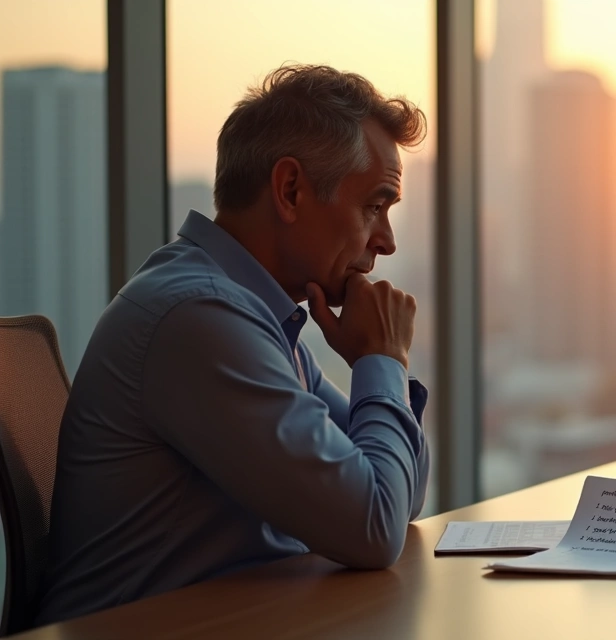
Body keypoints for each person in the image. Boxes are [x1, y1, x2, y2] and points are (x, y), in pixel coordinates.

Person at [35, 64, 430, 625]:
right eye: (374, 206)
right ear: (290, 190)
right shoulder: (199, 317)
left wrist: (379, 366)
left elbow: (402, 492)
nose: (386, 241)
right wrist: (381, 360)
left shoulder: (253, 316)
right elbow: (376, 524)